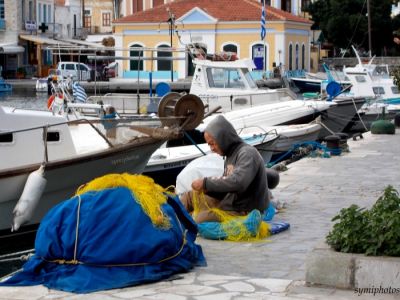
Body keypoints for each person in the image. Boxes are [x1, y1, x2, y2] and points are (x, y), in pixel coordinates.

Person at [180, 115, 270, 223]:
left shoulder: (247, 153)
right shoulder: (229, 155)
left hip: (244, 209)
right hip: (229, 203)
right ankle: (174, 223)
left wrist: (206, 183)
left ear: (223, 138)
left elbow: (239, 182)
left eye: (212, 144)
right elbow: (226, 185)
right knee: (189, 196)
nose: (212, 149)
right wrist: (207, 190)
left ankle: (187, 222)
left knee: (202, 219)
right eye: (209, 145)